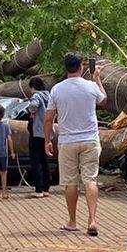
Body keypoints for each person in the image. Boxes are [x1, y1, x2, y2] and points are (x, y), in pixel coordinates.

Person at [46, 52, 106, 237]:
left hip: (67, 141)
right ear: (81, 67)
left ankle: (72, 221)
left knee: (70, 182)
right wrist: (97, 79)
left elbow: (49, 117)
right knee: (90, 179)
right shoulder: (90, 86)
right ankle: (92, 220)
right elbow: (103, 101)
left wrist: (47, 140)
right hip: (89, 139)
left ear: (66, 68)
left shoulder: (57, 89)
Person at [25, 76, 52, 198]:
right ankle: (46, 189)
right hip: (47, 132)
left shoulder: (36, 96)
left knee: (35, 161)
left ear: (32, 87)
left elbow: (33, 106)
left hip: (37, 132)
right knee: (44, 161)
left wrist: (31, 110)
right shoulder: (49, 96)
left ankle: (38, 190)